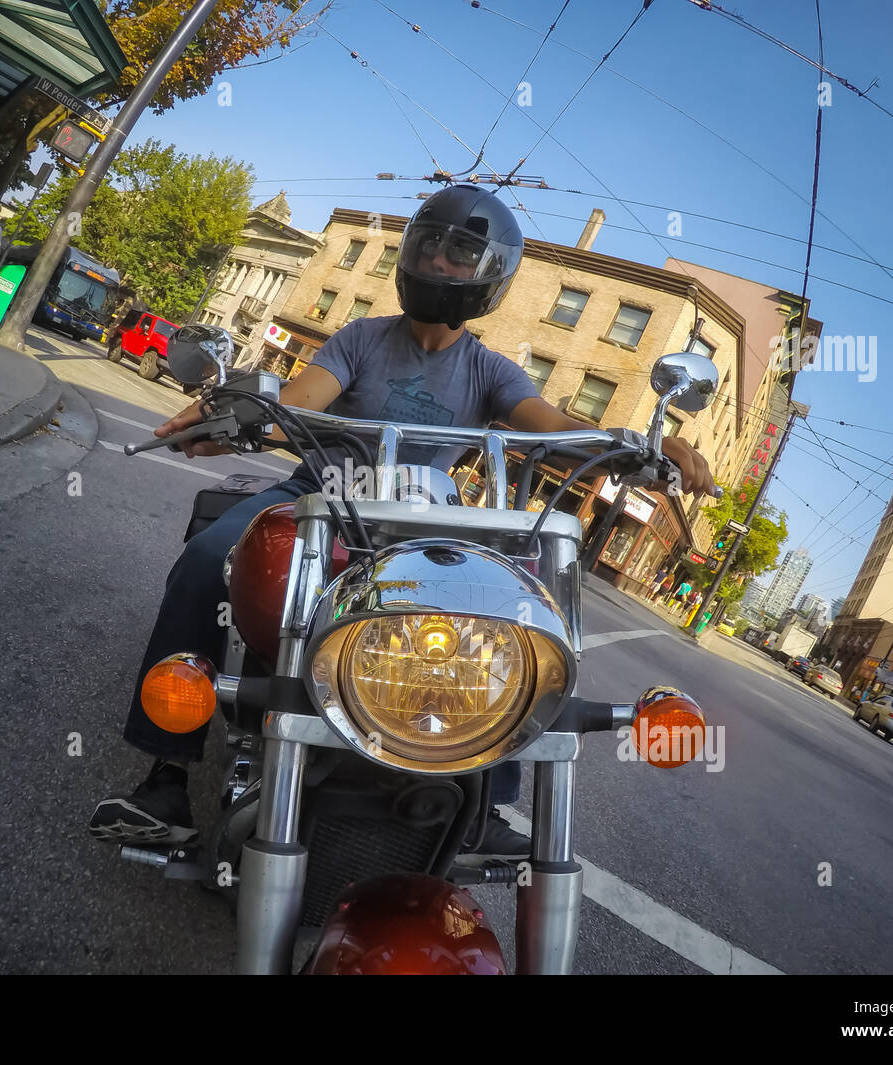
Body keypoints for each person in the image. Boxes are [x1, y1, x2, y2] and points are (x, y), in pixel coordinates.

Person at [87, 185, 717, 853]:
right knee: (210, 556)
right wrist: (241, 418)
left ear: (491, 275)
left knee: (512, 617)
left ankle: (489, 809)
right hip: (321, 496)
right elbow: (301, 399)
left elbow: (553, 425)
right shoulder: (359, 338)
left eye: (462, 253)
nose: (441, 263)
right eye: (431, 246)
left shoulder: (490, 370)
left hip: (429, 525)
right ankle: (166, 774)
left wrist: (635, 444)